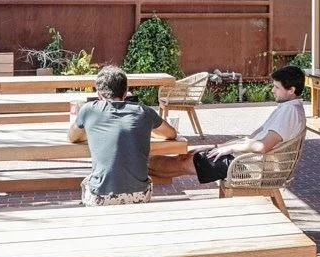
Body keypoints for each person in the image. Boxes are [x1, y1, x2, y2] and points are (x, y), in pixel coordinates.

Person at [150, 64, 307, 185]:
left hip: (248, 166)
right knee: (187, 157)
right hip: (249, 161)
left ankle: (135, 166)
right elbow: (253, 140)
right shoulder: (290, 108)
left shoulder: (289, 112)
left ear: (291, 90)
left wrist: (230, 148)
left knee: (183, 162)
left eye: (276, 87)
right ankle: (137, 168)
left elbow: (262, 146)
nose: (273, 90)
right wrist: (218, 147)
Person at [68, 65, 178, 206]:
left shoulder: (89, 110)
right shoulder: (144, 112)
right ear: (126, 92)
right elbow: (171, 133)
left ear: (99, 94)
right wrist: (147, 130)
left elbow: (72, 137)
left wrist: (92, 132)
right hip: (139, 194)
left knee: (87, 182)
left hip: (101, 195)